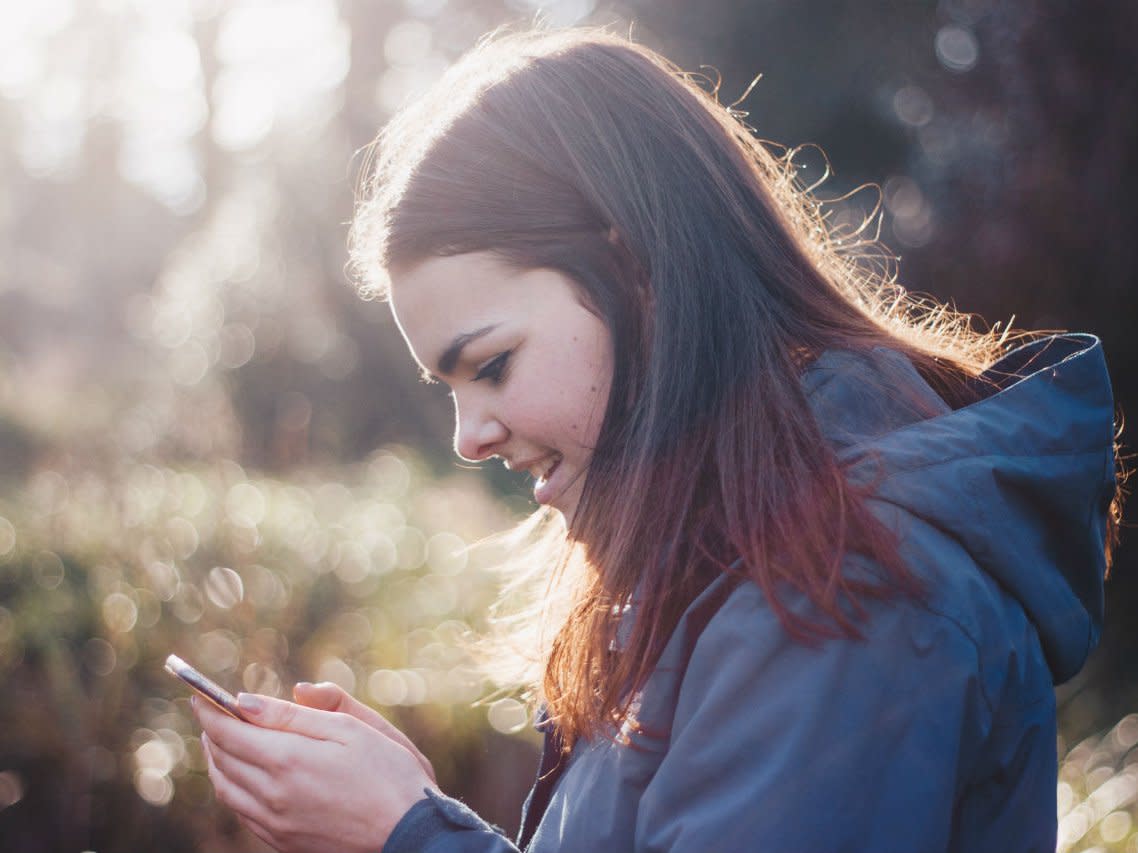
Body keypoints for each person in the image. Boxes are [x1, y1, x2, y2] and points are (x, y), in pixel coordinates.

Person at [192, 27, 1122, 853]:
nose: (470, 437)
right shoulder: (742, 555)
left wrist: (406, 834)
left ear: (634, 269)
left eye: (492, 364)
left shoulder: (845, 588)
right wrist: (408, 813)